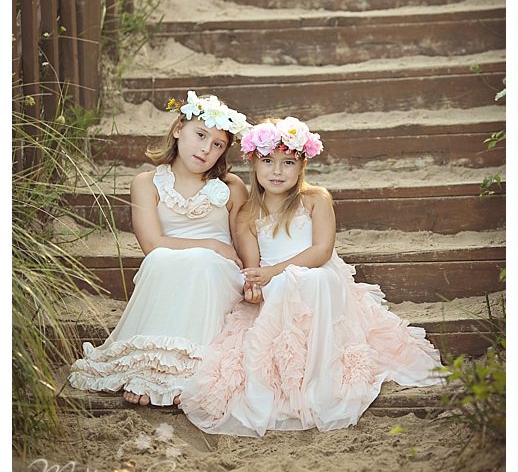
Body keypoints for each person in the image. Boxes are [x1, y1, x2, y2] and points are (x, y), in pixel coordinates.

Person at [179, 116, 444, 436]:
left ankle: (322, 382)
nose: (277, 171)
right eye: (268, 161)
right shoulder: (248, 213)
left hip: (319, 279)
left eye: (288, 162)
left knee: (314, 280)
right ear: (253, 163)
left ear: (302, 164)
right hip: (276, 287)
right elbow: (253, 267)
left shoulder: (316, 199)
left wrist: (275, 272)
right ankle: (297, 382)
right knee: (287, 291)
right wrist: (254, 286)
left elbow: (320, 252)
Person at [69, 92, 250, 406]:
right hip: (172, 265)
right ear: (179, 128)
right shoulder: (147, 182)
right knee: (161, 260)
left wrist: (252, 275)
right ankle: (152, 366)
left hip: (217, 274)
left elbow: (245, 240)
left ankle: (191, 370)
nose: (207, 149)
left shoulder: (231, 186)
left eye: (218, 144)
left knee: (202, 263)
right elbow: (152, 244)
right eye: (201, 135)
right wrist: (209, 243)